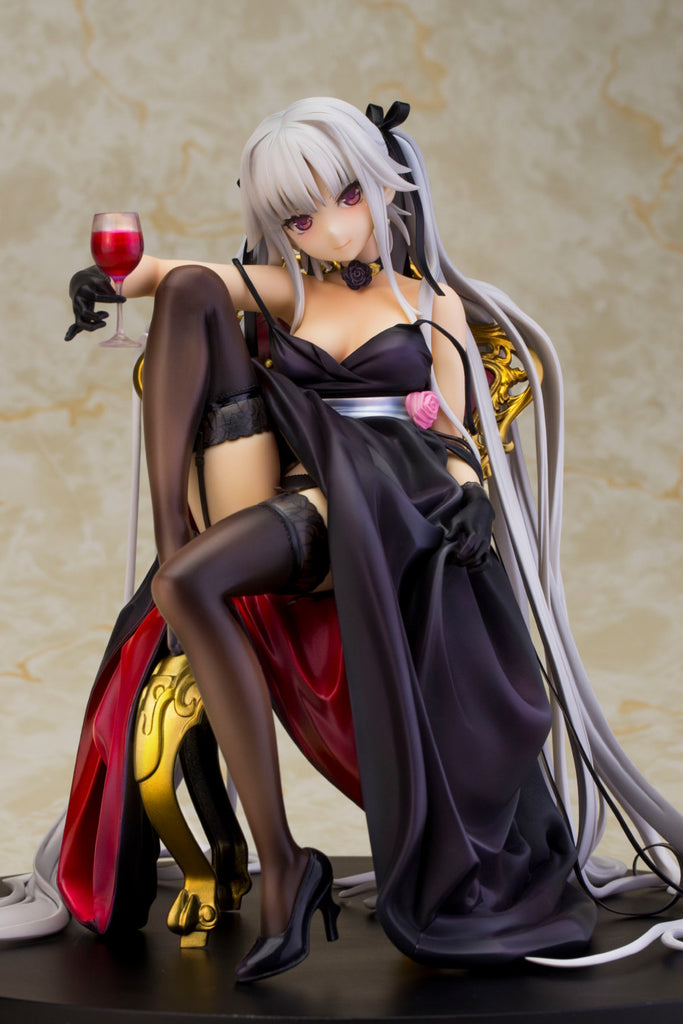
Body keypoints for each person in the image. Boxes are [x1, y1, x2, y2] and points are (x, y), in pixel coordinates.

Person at [59, 97, 681, 980]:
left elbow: (452, 433)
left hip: (385, 494)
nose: (330, 228)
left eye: (346, 197)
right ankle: (281, 853)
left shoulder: (431, 305)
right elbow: (178, 276)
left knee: (188, 583)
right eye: (299, 218)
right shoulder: (292, 288)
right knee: (192, 296)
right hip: (291, 477)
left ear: (386, 186)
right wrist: (119, 277)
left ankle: (285, 870)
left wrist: (473, 496)